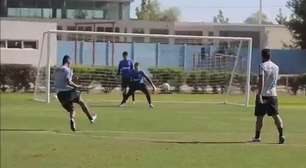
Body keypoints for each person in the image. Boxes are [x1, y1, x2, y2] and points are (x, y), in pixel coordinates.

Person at [54, 55, 97, 131]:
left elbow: (61, 80)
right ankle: (91, 118)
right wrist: (77, 86)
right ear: (68, 61)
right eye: (70, 61)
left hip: (59, 95)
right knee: (81, 102)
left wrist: (73, 79)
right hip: (68, 93)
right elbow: (68, 81)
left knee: (72, 109)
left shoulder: (57, 70)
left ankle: (72, 119)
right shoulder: (68, 69)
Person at [252, 49, 285, 144]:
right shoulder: (276, 67)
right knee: (276, 115)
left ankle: (257, 137)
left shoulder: (262, 66)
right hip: (273, 94)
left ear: (262, 56)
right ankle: (281, 135)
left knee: (259, 116)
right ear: (270, 56)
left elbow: (261, 80)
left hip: (264, 94)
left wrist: (259, 94)